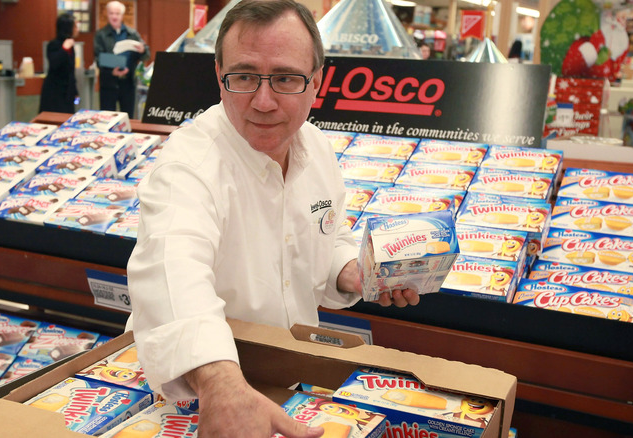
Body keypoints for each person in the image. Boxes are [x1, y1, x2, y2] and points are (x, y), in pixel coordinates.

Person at [126, 0, 419, 436]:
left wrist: (353, 271)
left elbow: (329, 234)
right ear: (219, 77)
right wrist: (222, 384)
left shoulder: (317, 150)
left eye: (285, 78)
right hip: (197, 391)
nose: (263, 102)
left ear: (316, 82)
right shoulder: (187, 166)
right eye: (244, 77)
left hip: (288, 377)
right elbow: (173, 272)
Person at [94, 0, 150, 119]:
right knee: (106, 118)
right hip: (108, 83)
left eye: (117, 13)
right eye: (111, 13)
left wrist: (142, 50)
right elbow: (98, 58)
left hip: (128, 83)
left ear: (122, 15)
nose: (114, 16)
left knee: (128, 117)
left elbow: (146, 55)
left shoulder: (132, 33)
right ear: (107, 14)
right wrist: (111, 71)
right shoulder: (101, 35)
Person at [39, 13, 79, 114]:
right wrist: (64, 49)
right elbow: (54, 63)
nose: (77, 29)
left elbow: (71, 71)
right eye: (75, 26)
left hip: (68, 93)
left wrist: (75, 91)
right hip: (54, 93)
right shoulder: (53, 45)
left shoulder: (72, 46)